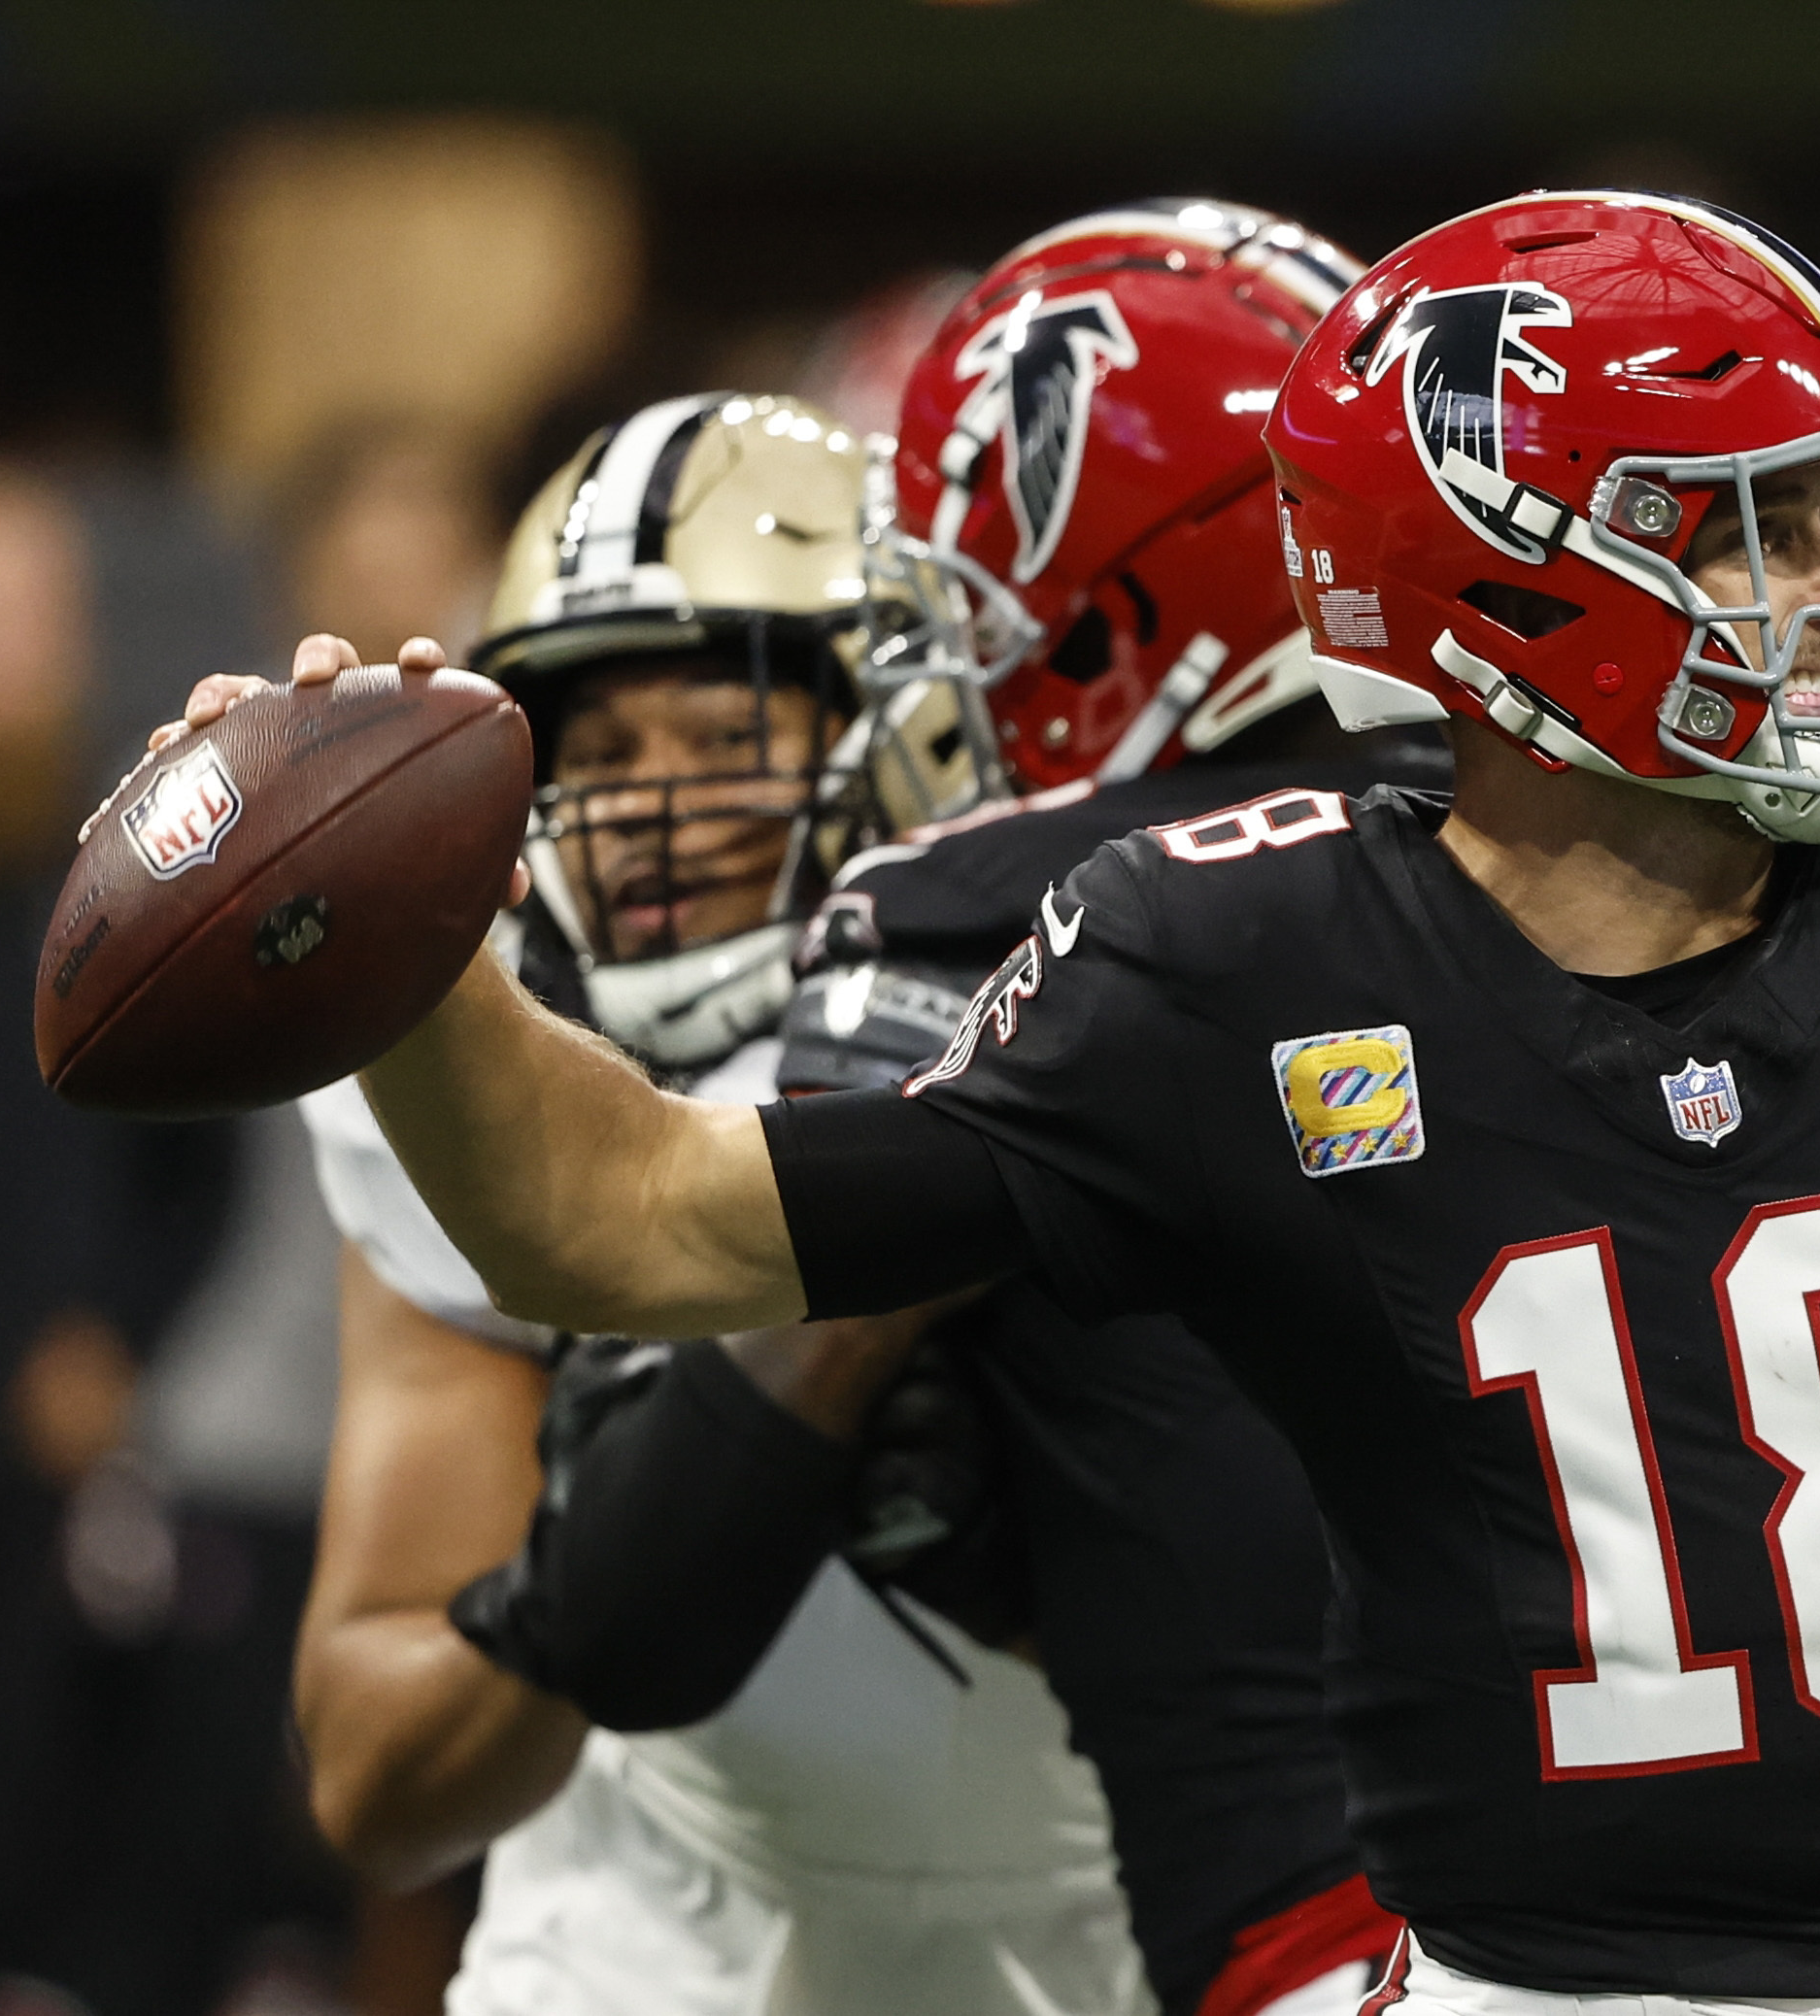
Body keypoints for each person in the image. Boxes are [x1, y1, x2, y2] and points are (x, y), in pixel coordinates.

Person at [170, 191, 1820, 2016]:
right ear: (1508, 582)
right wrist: (394, 955)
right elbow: (627, 1216)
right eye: (1758, 526)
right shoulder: (1226, 954)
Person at [468, 198, 1425, 2016]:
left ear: (1122, 609)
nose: (949, 678)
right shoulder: (1604, 857)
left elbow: (629, 1619)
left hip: (1307, 1927)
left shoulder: (1020, 929)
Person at [284, 390, 1147, 2016]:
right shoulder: (485, 1099)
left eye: (722, 733)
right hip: (656, 1949)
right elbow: (376, 1776)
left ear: (911, 738)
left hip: (1134, 1931)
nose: (646, 806)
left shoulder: (1106, 1023)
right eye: (597, 752)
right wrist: (607, 1563)